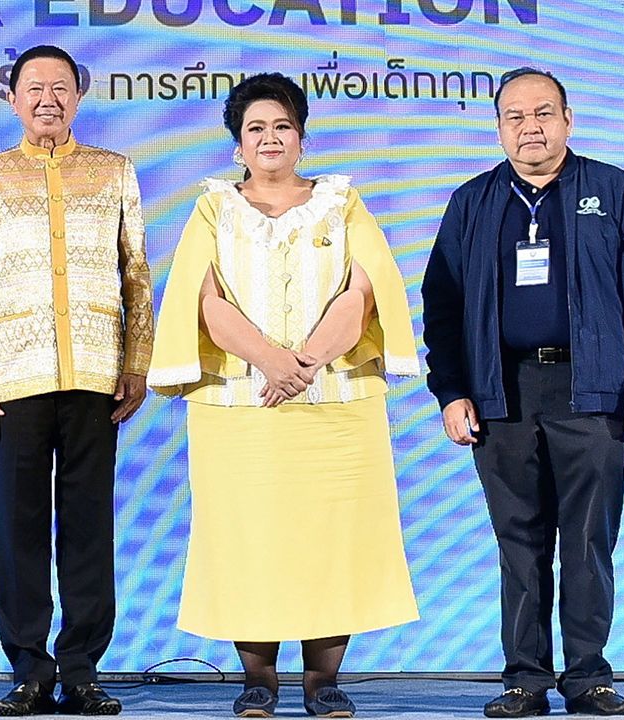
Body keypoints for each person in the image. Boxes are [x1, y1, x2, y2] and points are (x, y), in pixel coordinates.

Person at [147, 72, 420, 719]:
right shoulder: (213, 208)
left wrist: (304, 364)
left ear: (301, 137)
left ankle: (323, 682)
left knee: (332, 539)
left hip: (336, 405)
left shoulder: (342, 202)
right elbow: (204, 303)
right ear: (238, 146)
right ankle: (258, 682)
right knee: (250, 539)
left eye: (281, 127)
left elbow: (362, 293)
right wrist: (272, 361)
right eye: (255, 129)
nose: (270, 138)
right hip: (239, 410)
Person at [422, 67, 624, 718]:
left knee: (589, 538)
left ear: (568, 119)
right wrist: (451, 391)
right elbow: (441, 306)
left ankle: (588, 677)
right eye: (515, 116)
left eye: (543, 114)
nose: (529, 127)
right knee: (519, 540)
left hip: (592, 389)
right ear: (498, 126)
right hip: (501, 391)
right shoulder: (473, 202)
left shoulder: (613, 191)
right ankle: (524, 681)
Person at [0, 44, 153, 716]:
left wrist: (136, 362)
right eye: (34, 87)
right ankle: (29, 670)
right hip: (12, 380)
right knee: (18, 528)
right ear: (12, 98)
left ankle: (82, 669)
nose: (48, 98)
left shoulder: (114, 171)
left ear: (78, 95)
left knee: (89, 527)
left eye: (61, 87)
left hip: (97, 375)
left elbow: (137, 276)